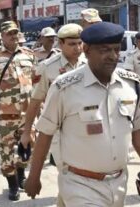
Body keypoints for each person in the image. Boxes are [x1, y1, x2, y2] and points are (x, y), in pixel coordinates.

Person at [25, 21, 140, 207]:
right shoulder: (64, 87)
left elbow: (137, 135)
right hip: (80, 184)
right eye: (104, 50)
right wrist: (34, 176)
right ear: (86, 49)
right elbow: (45, 133)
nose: (112, 56)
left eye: (116, 49)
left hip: (119, 183)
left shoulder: (131, 86)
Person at [0, 21, 36, 201]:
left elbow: (36, 84)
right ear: (2, 37)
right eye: (9, 33)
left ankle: (21, 173)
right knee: (6, 151)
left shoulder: (29, 55)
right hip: (5, 115)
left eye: (15, 32)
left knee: (27, 149)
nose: (13, 36)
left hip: (27, 114)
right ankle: (12, 184)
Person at [21, 23, 86, 168]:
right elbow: (35, 101)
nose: (78, 48)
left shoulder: (88, 65)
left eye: (80, 43)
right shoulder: (46, 67)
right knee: (67, 172)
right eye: (72, 44)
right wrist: (26, 132)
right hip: (60, 130)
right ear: (61, 44)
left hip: (85, 127)